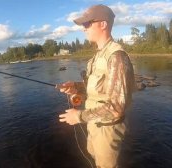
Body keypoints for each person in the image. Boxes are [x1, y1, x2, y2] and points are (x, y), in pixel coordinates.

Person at [57, 4, 135, 168]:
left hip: (107, 129)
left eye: (87, 24)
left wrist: (78, 116)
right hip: (94, 124)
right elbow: (96, 89)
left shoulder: (116, 57)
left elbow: (116, 107)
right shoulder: (97, 56)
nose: (83, 29)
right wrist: (75, 87)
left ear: (103, 24)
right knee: (93, 155)